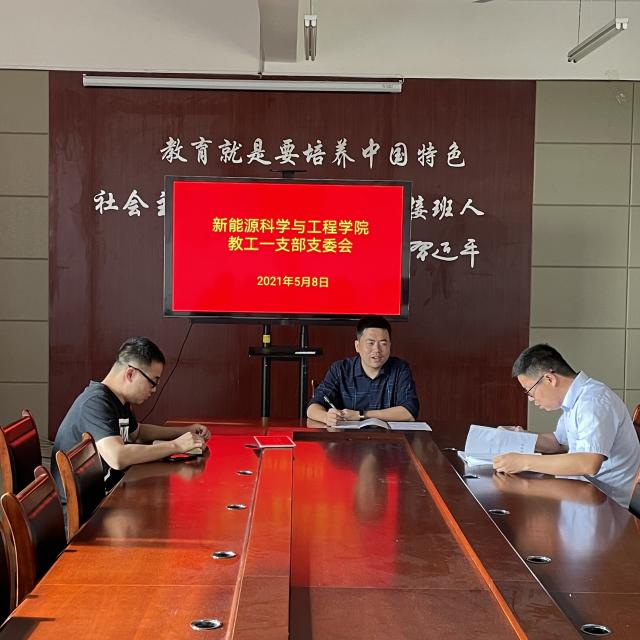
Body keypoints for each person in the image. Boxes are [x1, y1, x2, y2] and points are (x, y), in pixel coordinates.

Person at [51, 336, 211, 495]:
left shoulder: (119, 400)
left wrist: (184, 431)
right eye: (153, 382)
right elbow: (117, 457)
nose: (154, 389)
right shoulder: (95, 403)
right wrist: (176, 446)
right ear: (130, 374)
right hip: (91, 506)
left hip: (108, 492)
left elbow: (137, 433)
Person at [493, 343, 640, 508]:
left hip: (609, 505)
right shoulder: (575, 400)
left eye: (529, 391)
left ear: (550, 379)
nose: (531, 399)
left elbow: (588, 463)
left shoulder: (593, 401)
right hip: (584, 493)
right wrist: (517, 437)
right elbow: (558, 443)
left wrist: (524, 461)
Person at [307, 315, 419, 427]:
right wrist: (326, 417)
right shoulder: (340, 369)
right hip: (347, 437)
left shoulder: (400, 369)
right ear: (357, 346)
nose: (377, 350)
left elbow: (409, 412)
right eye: (370, 343)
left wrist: (361, 415)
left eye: (383, 343)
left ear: (390, 346)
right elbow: (313, 407)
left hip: (387, 437)